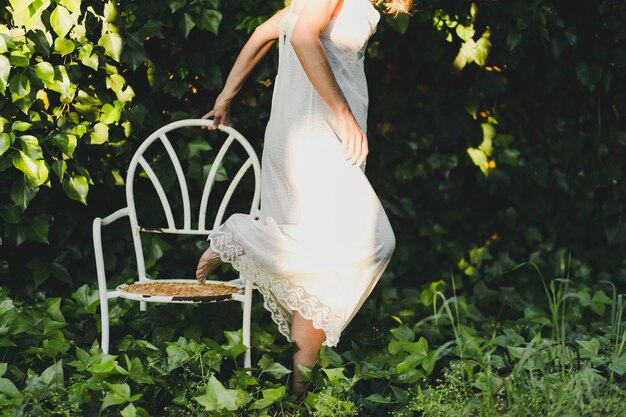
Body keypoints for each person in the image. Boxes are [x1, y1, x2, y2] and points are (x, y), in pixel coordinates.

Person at [196, 0, 412, 393]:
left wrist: (226, 95)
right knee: (378, 240)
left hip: (325, 134)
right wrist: (342, 113)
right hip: (315, 134)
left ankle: (299, 396)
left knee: (319, 276)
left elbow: (266, 32)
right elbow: (300, 36)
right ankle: (241, 236)